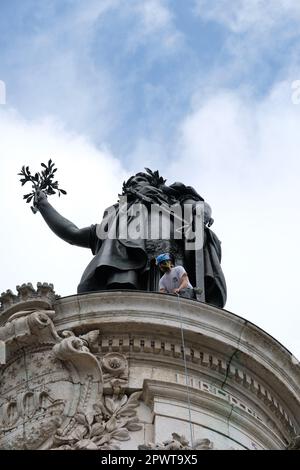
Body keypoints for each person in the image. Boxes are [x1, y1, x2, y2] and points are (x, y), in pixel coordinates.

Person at [33, 168, 227, 307]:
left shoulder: (174, 206)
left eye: (141, 180)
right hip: (129, 285)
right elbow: (72, 233)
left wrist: (203, 212)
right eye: (133, 183)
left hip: (175, 269)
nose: (135, 184)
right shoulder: (114, 223)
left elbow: (197, 205)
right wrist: (44, 205)